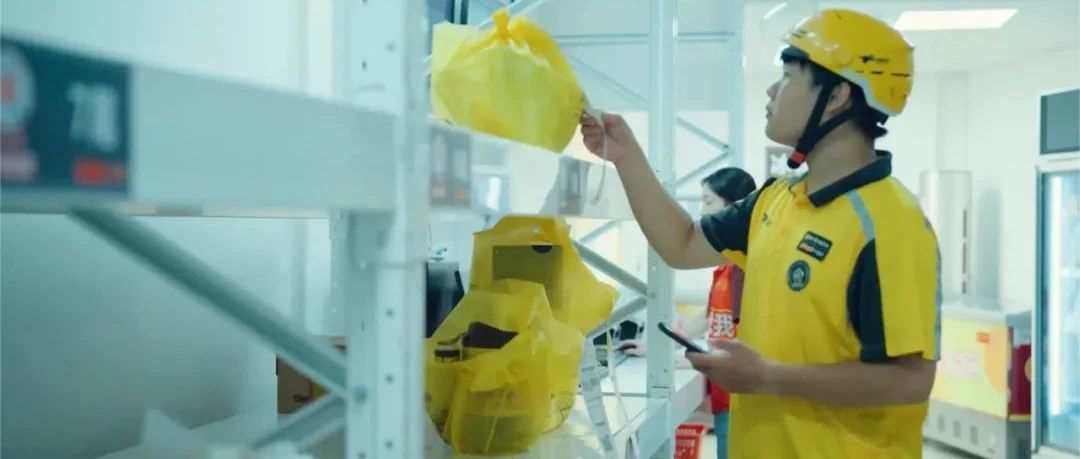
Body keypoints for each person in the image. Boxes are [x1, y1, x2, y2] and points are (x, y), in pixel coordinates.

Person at [579, 8, 940, 459]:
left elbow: (910, 378)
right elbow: (682, 244)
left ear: (836, 96)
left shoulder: (891, 224)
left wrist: (769, 376)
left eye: (787, 77)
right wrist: (625, 153)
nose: (771, 91)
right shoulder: (775, 199)